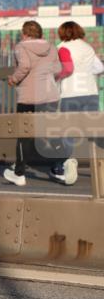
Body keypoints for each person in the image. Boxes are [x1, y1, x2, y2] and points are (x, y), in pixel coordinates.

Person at [3, 20, 63, 186]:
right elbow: (58, 69)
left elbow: (25, 66)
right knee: (51, 131)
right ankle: (63, 165)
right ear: (40, 33)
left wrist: (13, 79)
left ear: (24, 33)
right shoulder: (51, 47)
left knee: (24, 135)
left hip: (29, 97)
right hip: (50, 96)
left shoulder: (21, 47)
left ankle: (19, 174)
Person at [55, 20, 103, 185]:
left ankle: (69, 167)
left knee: (68, 132)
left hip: (71, 94)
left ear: (63, 33)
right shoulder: (87, 47)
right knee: (95, 131)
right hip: (91, 93)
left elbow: (68, 69)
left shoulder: (63, 47)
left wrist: (56, 75)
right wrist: (86, 72)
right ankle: (100, 167)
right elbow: (99, 68)